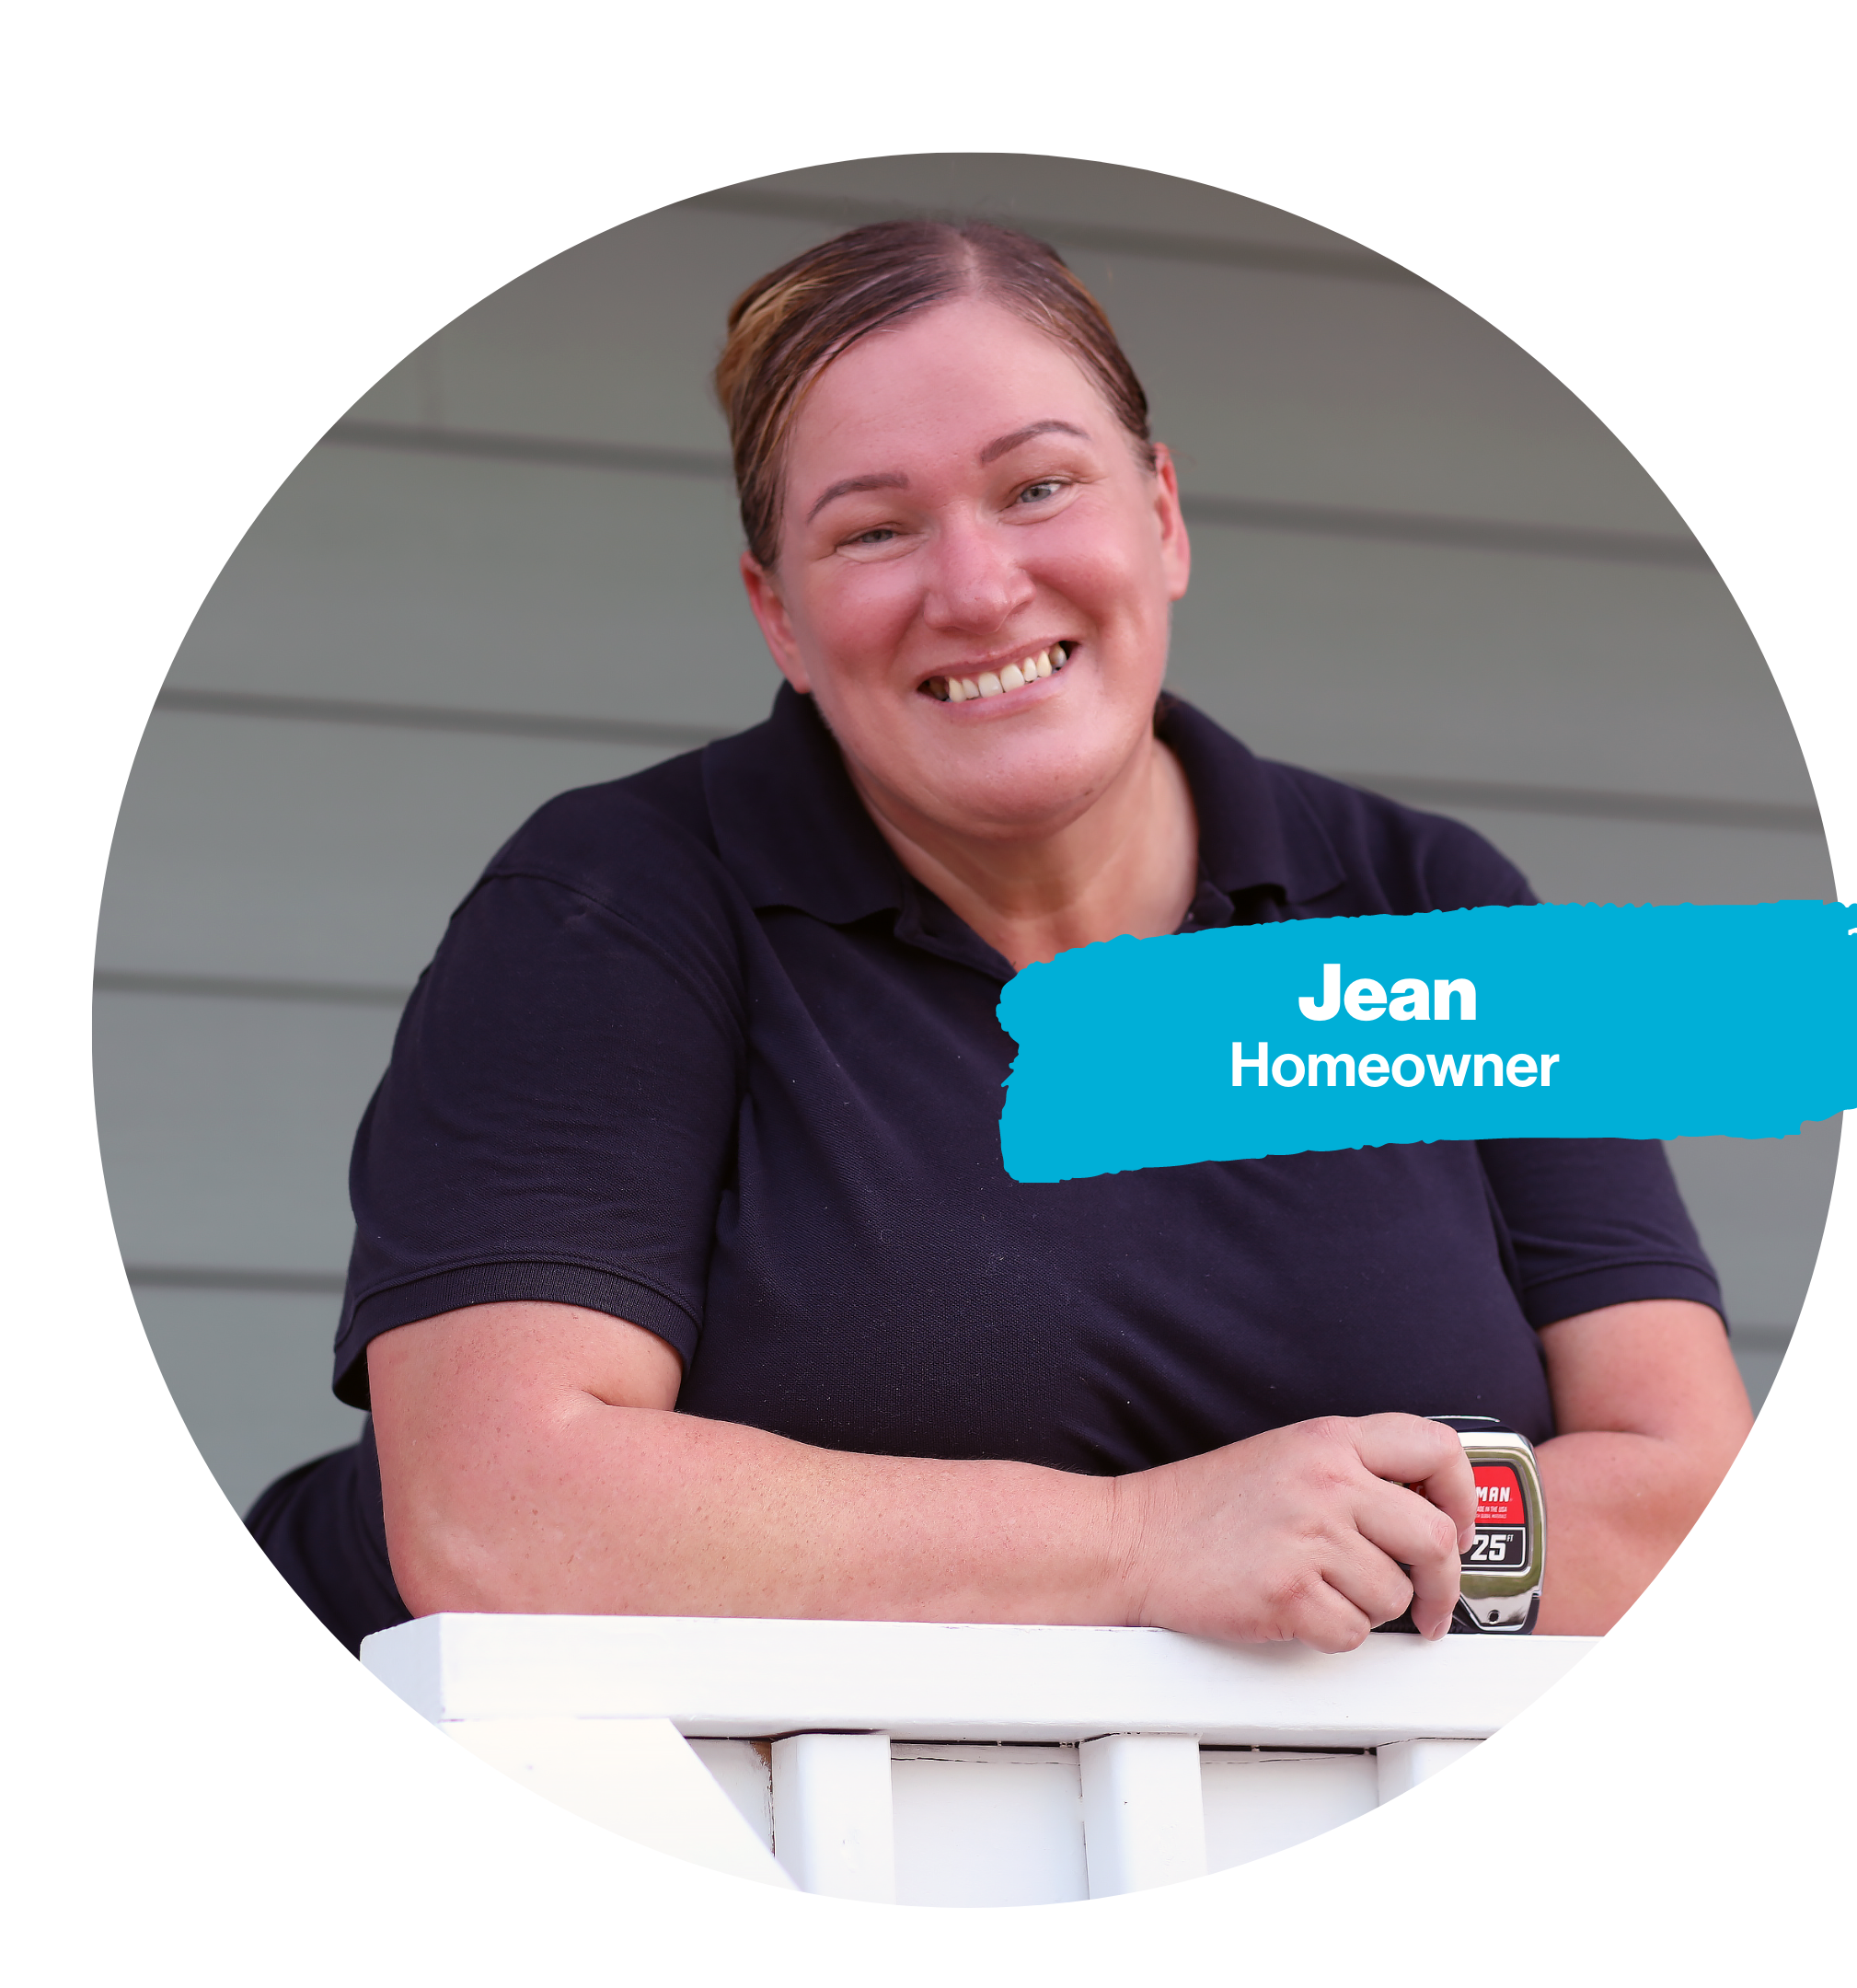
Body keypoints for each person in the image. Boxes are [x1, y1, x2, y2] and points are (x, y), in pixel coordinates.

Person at [248, 219, 1754, 1658]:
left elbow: (1686, 1504)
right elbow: (498, 1510)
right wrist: (1145, 1548)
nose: (975, 590)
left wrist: (1371, 1545)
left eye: (1039, 489)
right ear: (778, 615)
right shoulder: (615, 907)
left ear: (1160, 516)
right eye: (876, 529)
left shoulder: (1441, 908)